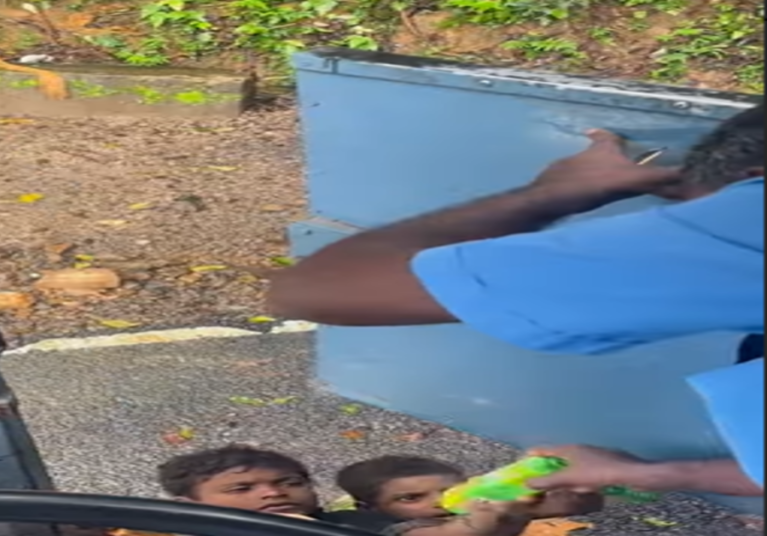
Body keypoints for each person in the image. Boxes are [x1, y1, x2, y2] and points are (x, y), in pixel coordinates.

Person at [267, 102, 765, 496]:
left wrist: (552, 193)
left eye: (693, 214)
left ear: (748, 181)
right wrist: (655, 474)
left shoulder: (747, 217)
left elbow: (314, 288)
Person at [107, 444, 535, 535]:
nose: (271, 493)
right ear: (188, 507)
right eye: (241, 488)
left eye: (289, 483)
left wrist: (498, 510)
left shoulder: (350, 523)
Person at [335, 455, 602, 535]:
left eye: (452, 491)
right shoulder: (400, 529)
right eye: (411, 498)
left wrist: (576, 492)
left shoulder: (490, 503)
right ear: (369, 508)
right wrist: (487, 508)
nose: (440, 501)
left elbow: (588, 504)